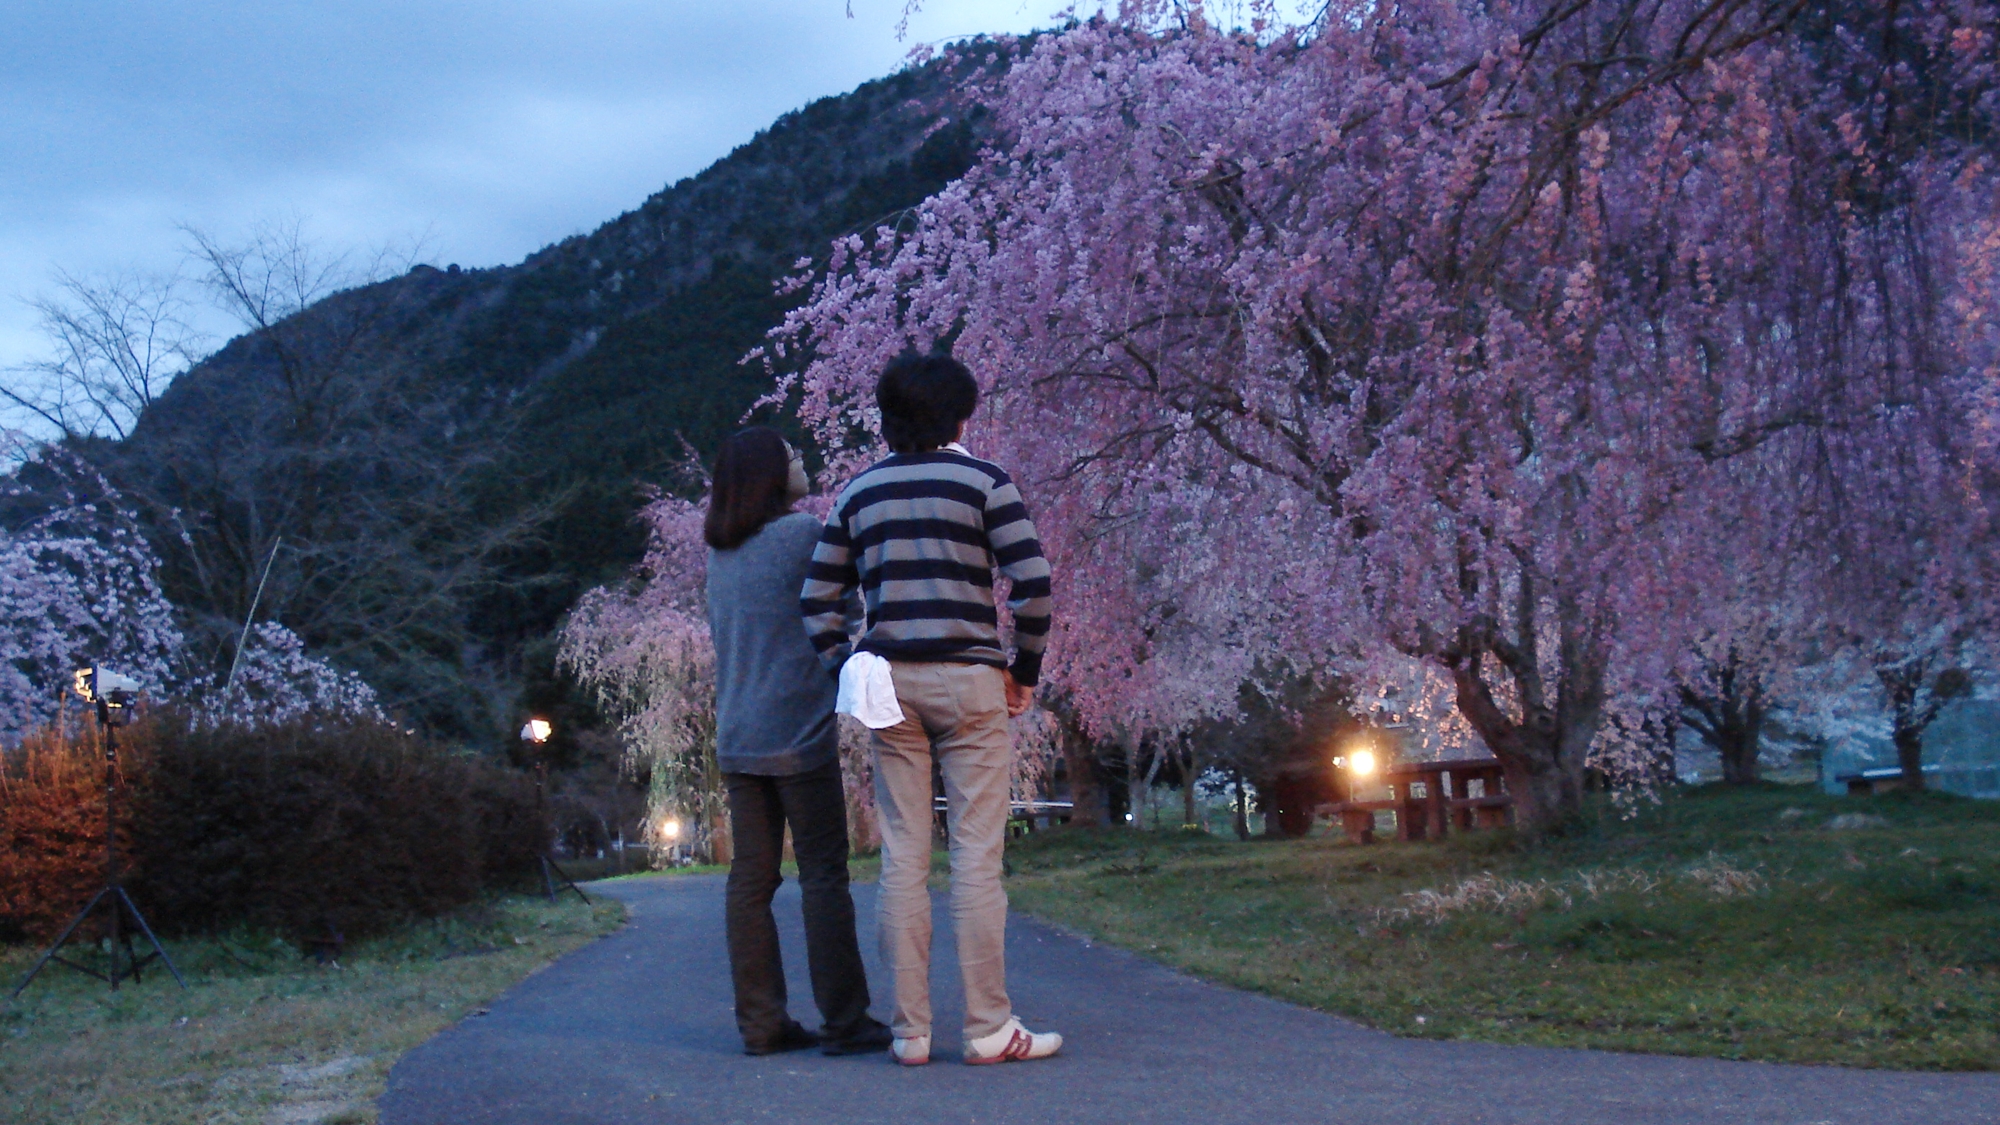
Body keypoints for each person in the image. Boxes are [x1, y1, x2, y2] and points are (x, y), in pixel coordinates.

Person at [800, 352, 1062, 1066]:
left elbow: (817, 597)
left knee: (903, 856)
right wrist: (1025, 668)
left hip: (891, 687)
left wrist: (845, 666)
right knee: (977, 857)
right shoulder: (984, 482)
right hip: (971, 680)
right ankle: (987, 1028)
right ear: (961, 415)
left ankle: (910, 1030)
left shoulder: (859, 493)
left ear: (887, 417)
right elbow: (1033, 583)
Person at [703, 426, 891, 1057]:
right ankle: (845, 1019)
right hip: (797, 735)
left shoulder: (719, 551)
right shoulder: (800, 536)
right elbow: (849, 609)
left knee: (750, 882)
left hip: (738, 734)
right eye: (790, 455)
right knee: (822, 875)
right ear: (769, 474)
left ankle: (762, 1023)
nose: (801, 460)